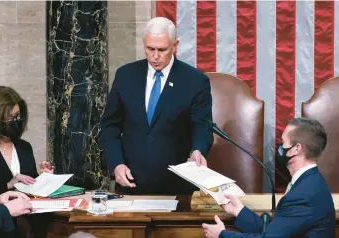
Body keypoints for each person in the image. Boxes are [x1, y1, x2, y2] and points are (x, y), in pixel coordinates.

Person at [99, 17, 213, 194]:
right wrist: (116, 164)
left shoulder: (195, 81)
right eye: (150, 49)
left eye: (162, 49)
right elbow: (109, 125)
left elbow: (202, 126)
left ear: (175, 45)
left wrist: (198, 150)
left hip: (177, 188)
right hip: (131, 184)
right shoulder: (125, 76)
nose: (155, 56)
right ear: (144, 43)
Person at [202, 118, 336, 237]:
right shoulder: (310, 182)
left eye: (283, 142)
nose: (280, 147)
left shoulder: (303, 196)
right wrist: (239, 211)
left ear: (296, 149)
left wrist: (222, 235)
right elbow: (276, 230)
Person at [0, 86, 55, 197]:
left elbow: (31, 187)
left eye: (17, 116)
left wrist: (44, 179)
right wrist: (9, 184)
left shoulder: (24, 147)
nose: (15, 122)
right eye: (9, 118)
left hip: (29, 212)